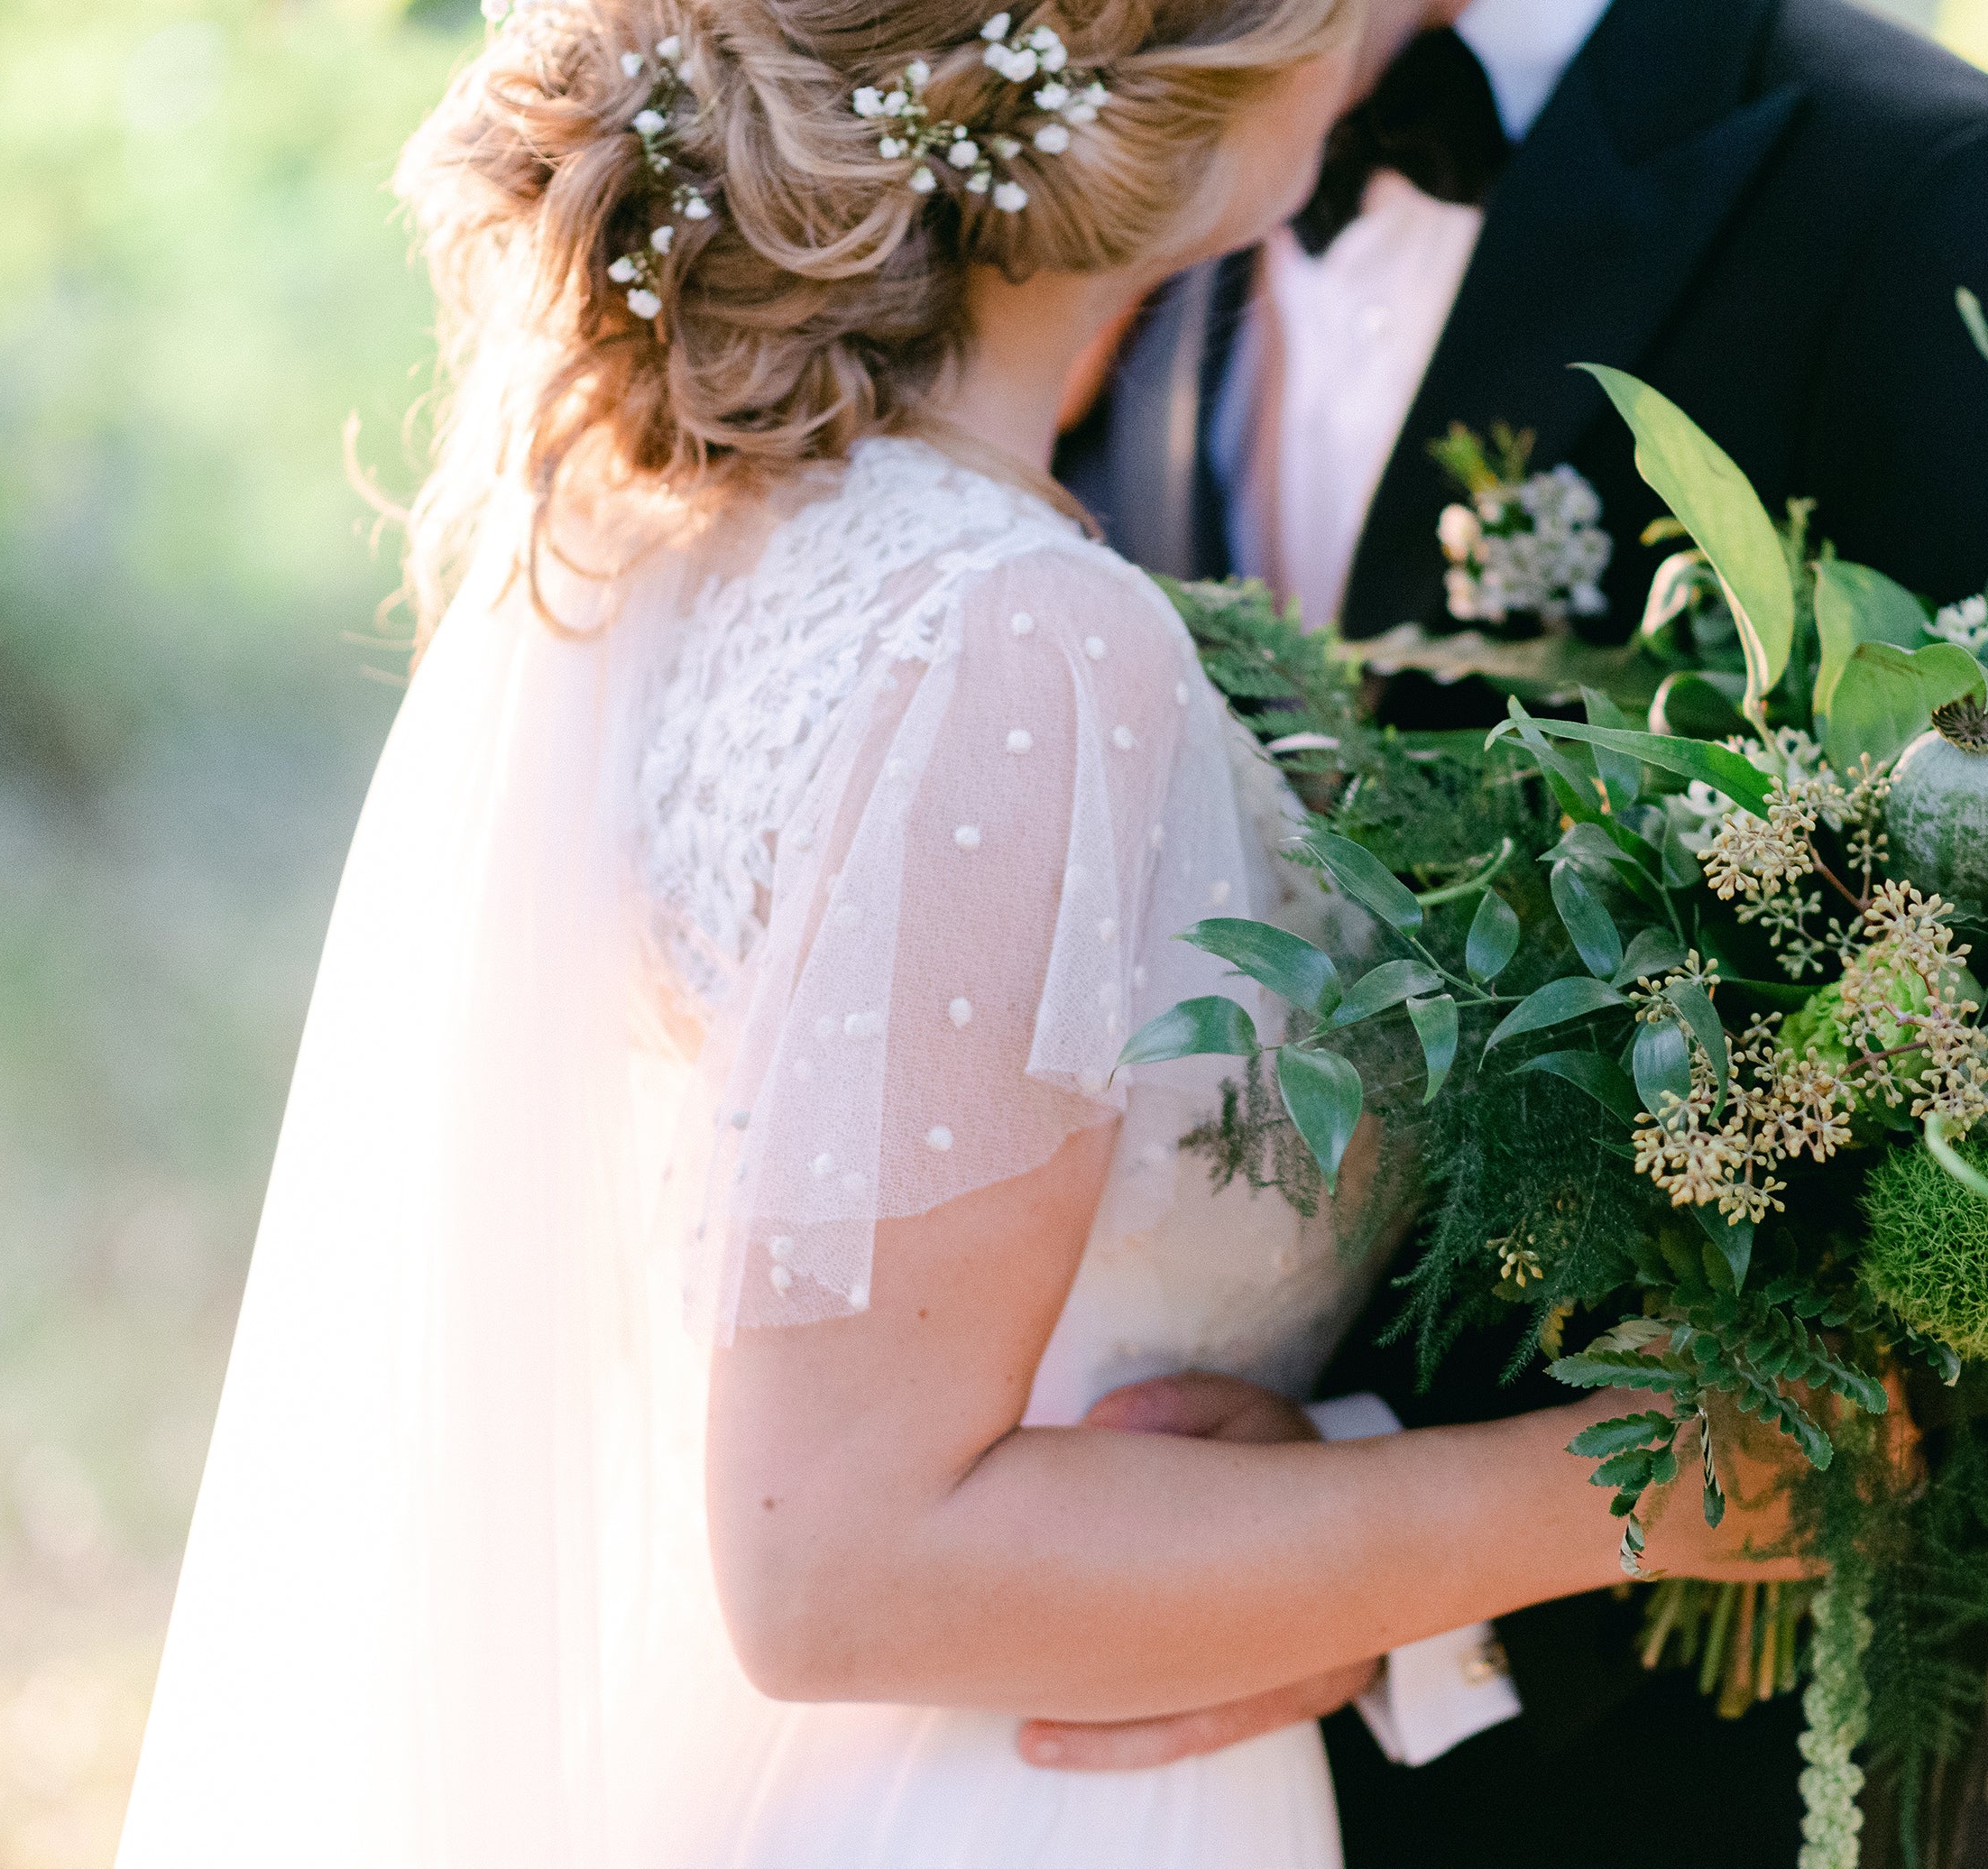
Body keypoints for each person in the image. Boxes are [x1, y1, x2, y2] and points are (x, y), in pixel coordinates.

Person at [110, 4, 1813, 1866]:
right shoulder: (1007, 634)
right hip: (1023, 1798)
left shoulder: (691, 527)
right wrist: (1644, 1487)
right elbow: (842, 1561)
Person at [1051, 1, 1988, 1863]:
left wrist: (1375, 1543)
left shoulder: (1944, 208)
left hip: (1706, 1756)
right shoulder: (1122, 162)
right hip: (1132, 1724)